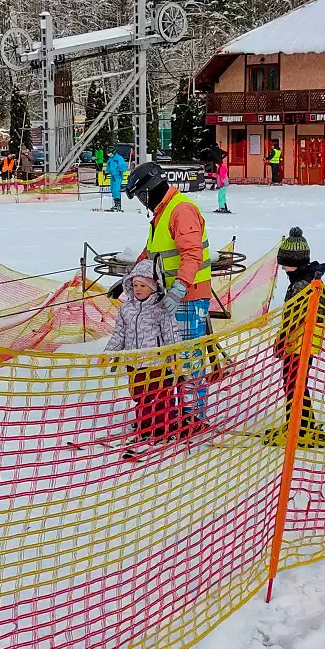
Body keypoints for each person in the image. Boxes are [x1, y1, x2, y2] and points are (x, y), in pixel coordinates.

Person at [122, 161, 212, 426]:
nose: (141, 202)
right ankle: (173, 412)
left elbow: (192, 253)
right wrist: (131, 276)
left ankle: (194, 415)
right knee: (171, 359)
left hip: (188, 297)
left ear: (148, 189)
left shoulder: (181, 210)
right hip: (169, 299)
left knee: (188, 358)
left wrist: (179, 289)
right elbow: (151, 254)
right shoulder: (162, 214)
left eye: (140, 196)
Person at [265, 227, 325, 447]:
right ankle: (301, 422)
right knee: (296, 383)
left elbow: (294, 316)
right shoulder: (306, 279)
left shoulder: (303, 284)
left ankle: (300, 425)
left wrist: (282, 340)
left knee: (294, 383)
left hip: (299, 341)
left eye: (286, 264)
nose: (283, 269)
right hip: (303, 341)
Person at [104, 259, 179, 444]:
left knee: (160, 395)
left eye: (143, 285)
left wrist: (174, 358)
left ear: (153, 287)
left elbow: (171, 335)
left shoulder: (160, 309)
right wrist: (109, 353)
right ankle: (145, 425)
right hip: (134, 363)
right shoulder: (126, 308)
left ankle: (163, 427)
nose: (137, 289)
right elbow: (119, 333)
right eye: (135, 285)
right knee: (139, 395)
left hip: (156, 363)